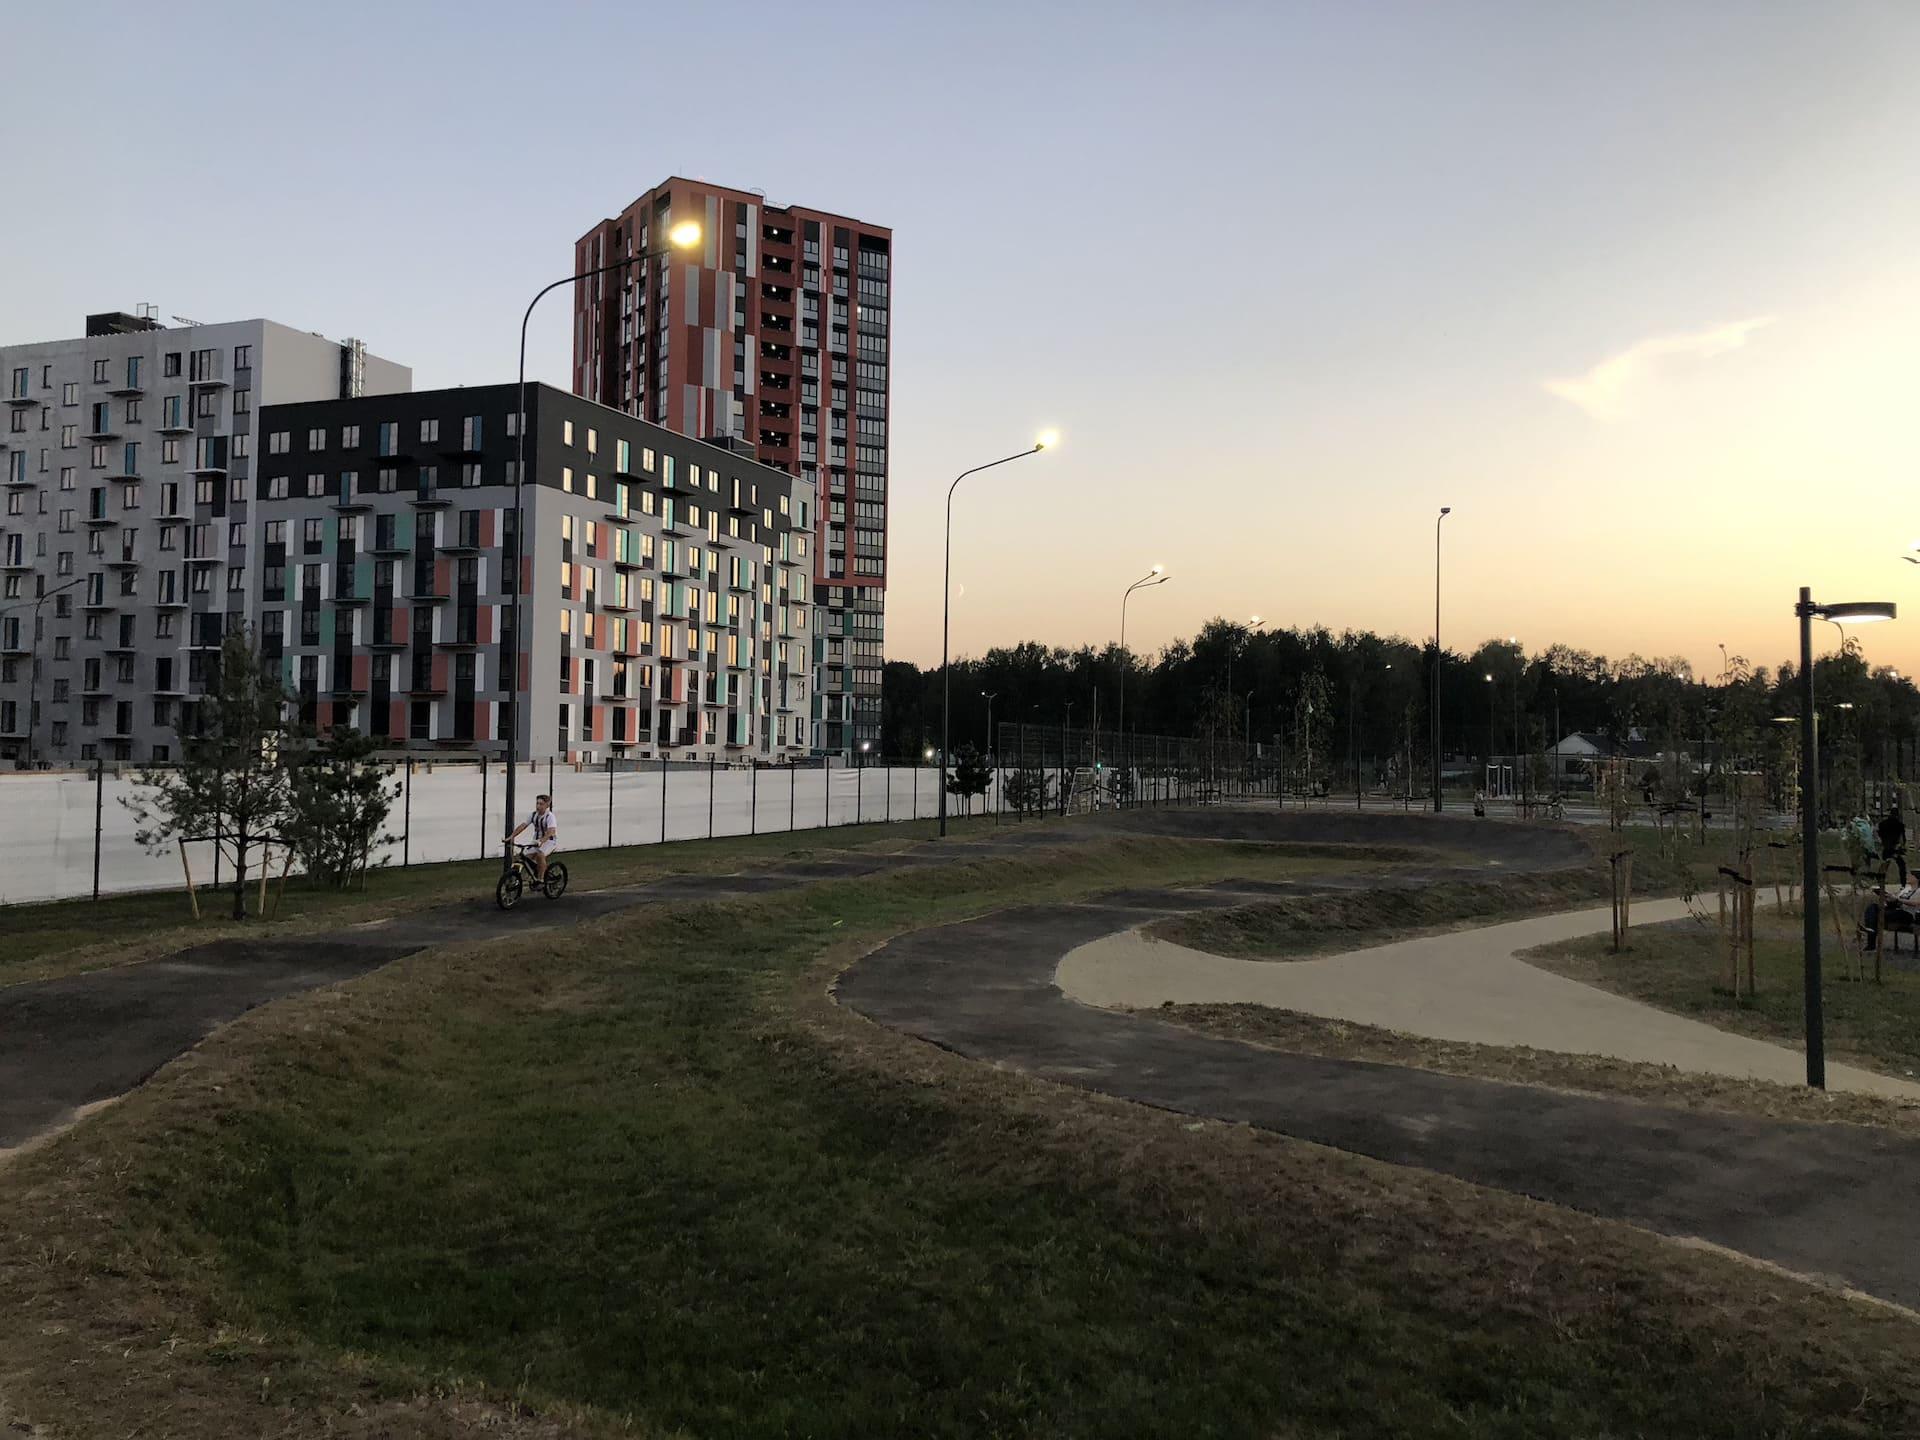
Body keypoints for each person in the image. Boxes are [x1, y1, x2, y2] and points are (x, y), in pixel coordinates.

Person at [507, 793, 560, 882]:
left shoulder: (550, 816)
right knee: (522, 857)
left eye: (541, 804)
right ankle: (516, 879)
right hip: (536, 841)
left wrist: (542, 841)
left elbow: (551, 831)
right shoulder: (533, 815)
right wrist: (511, 837)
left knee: (540, 855)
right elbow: (523, 826)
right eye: (537, 804)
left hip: (549, 841)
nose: (538, 806)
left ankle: (541, 879)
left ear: (547, 805)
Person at [1879, 804, 1908, 886]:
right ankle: (1903, 884)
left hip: (1886, 847)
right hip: (1895, 847)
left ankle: (1881, 883)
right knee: (1901, 865)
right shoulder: (1899, 825)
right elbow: (1903, 838)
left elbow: (1880, 834)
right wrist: (1902, 846)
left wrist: (1883, 842)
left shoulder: (1882, 824)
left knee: (1884, 865)